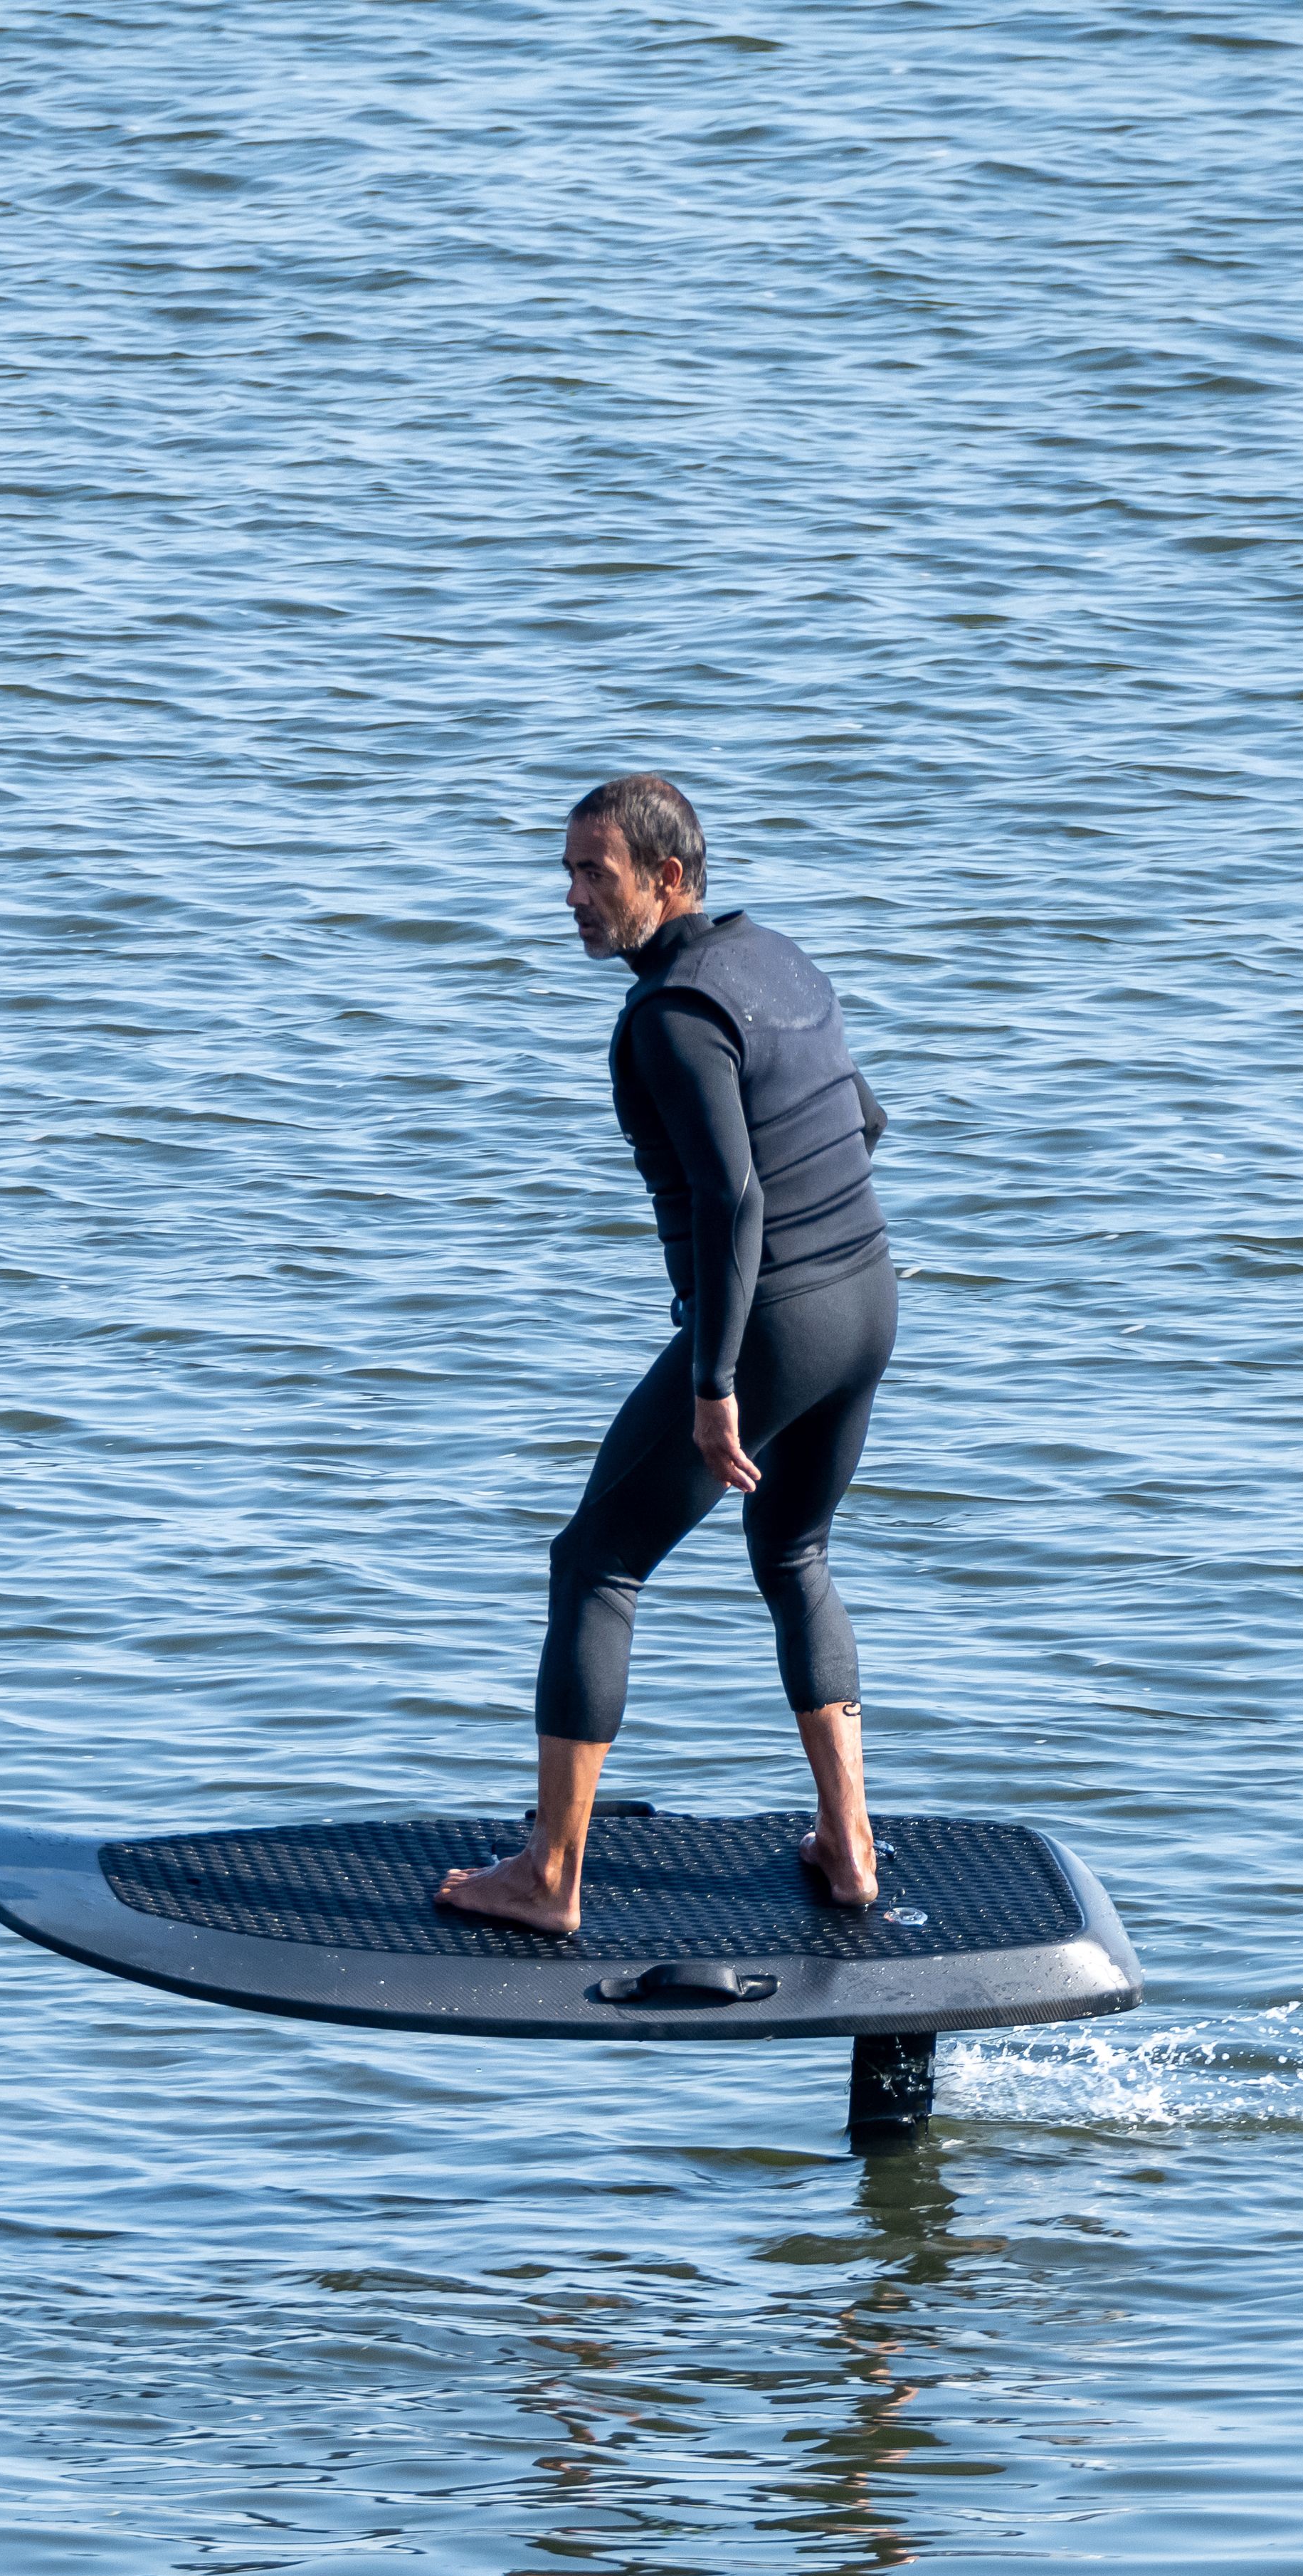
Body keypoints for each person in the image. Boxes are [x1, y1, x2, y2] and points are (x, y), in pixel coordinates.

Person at [438, 775, 896, 1937]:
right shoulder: (780, 962)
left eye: (599, 873)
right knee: (793, 1549)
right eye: (567, 872)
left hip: (774, 1321)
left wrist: (716, 1382)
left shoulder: (670, 1015)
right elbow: (866, 1120)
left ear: (670, 879)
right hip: (866, 1297)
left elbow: (734, 1202)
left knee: (595, 1561)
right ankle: (848, 1848)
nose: (574, 897)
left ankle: (549, 1877)